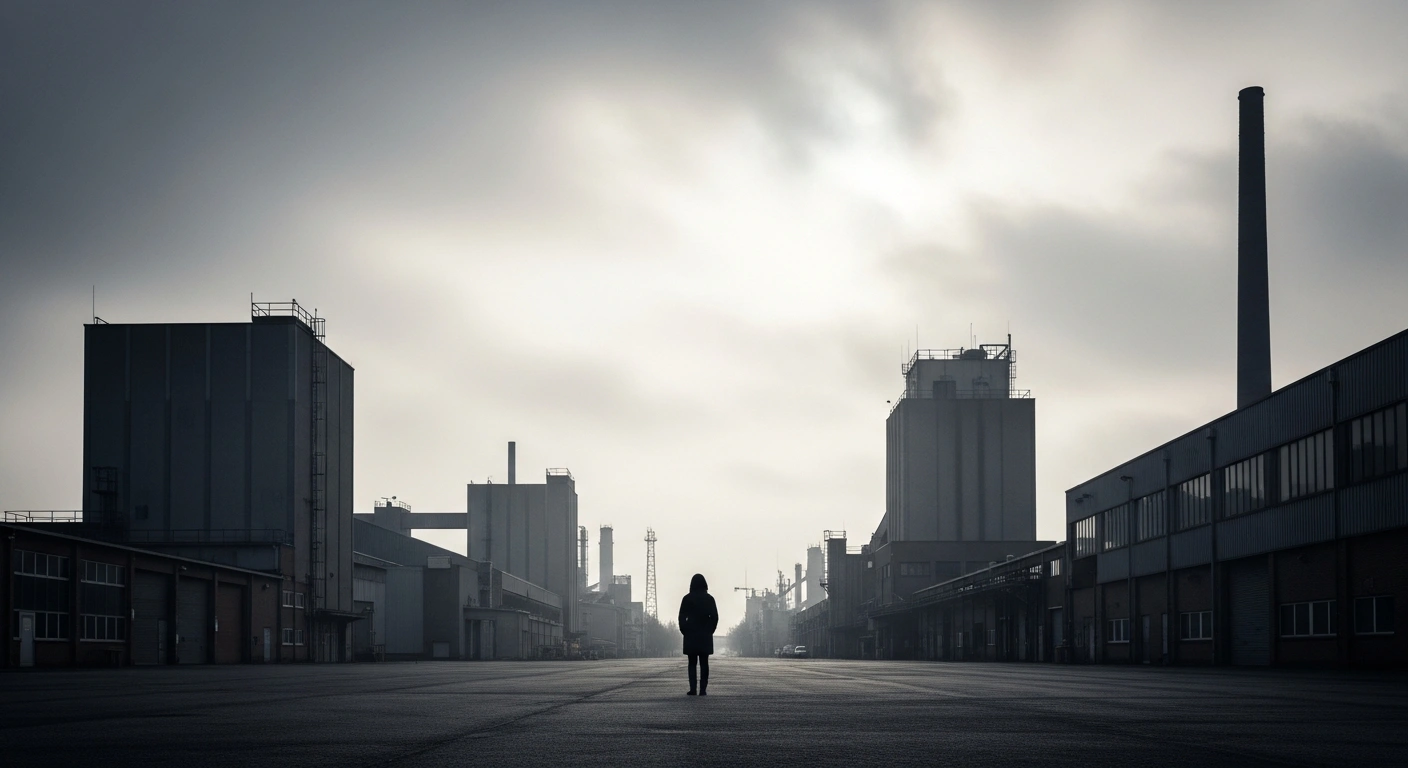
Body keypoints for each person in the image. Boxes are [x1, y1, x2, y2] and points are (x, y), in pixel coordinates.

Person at [678, 573, 718, 696]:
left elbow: (681, 617)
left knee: (692, 663)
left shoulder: (687, 598)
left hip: (691, 634)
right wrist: (710, 630)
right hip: (705, 635)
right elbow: (715, 617)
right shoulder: (709, 599)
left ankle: (693, 688)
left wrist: (684, 630)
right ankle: (703, 689)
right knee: (704, 663)